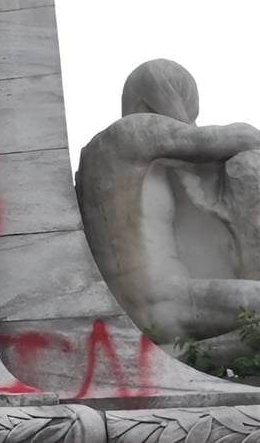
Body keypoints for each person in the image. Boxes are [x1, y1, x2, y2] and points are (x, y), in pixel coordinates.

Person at [76, 59, 260, 352]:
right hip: (171, 300)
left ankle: (190, 359)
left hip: (136, 309)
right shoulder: (134, 130)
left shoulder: (93, 160)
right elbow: (243, 136)